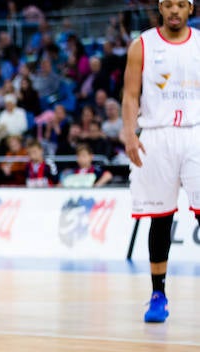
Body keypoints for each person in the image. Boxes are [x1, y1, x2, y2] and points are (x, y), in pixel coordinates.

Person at [119, 0, 200, 323]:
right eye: (169, 5)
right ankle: (158, 294)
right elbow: (130, 95)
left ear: (190, 9)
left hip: (195, 133)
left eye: (181, 5)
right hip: (156, 135)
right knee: (160, 217)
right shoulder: (141, 45)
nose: (175, 11)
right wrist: (128, 132)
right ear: (160, 8)